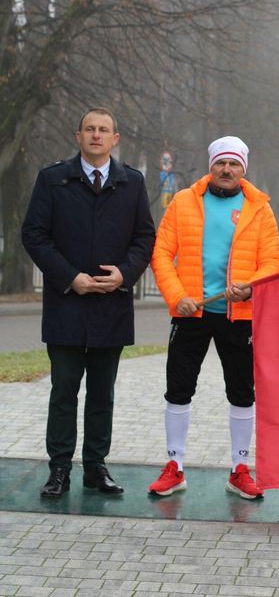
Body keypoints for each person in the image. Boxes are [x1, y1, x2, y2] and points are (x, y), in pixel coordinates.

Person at [22, 107, 156, 498]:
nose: (96, 135)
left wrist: (124, 274)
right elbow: (35, 235)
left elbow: (145, 239)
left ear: (115, 139)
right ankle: (59, 468)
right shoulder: (53, 179)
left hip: (111, 306)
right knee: (63, 390)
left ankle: (95, 467)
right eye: (89, 129)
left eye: (104, 130)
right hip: (66, 304)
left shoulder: (132, 182)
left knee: (102, 393)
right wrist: (69, 278)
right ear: (78, 136)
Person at [149, 136, 279, 499]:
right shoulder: (183, 202)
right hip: (191, 312)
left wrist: (251, 286)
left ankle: (240, 468)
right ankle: (174, 466)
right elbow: (161, 253)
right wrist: (178, 297)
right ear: (211, 166)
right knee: (178, 389)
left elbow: (272, 261)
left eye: (234, 164)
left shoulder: (260, 208)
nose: (227, 170)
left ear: (244, 169)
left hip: (239, 315)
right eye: (221, 163)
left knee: (242, 393)